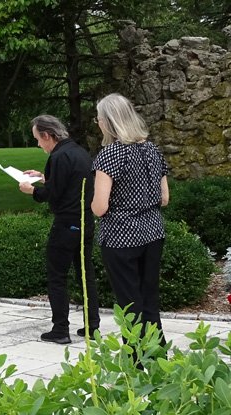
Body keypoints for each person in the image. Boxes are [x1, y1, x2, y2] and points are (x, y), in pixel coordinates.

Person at [92, 93, 169, 348]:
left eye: (99, 118)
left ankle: (134, 367)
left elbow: (100, 207)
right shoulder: (152, 149)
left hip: (121, 238)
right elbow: (164, 198)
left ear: (108, 121)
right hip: (153, 233)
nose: (98, 122)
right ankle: (159, 364)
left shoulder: (110, 154)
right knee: (149, 301)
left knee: (129, 305)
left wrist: (93, 204)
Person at [19, 115, 101, 344]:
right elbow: (68, 183)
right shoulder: (78, 151)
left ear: (47, 135)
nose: (38, 144)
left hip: (66, 223)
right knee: (86, 273)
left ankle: (60, 329)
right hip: (85, 221)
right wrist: (44, 176)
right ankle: (92, 326)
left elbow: (52, 193)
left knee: (57, 276)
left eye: (38, 139)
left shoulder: (57, 156)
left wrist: (31, 191)